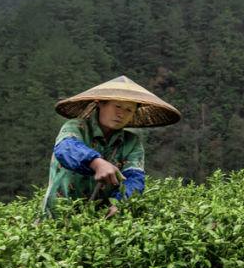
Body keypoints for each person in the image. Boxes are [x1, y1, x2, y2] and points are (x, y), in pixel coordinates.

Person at [41, 75, 180, 218]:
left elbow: (134, 177)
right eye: (117, 106)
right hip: (58, 217)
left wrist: (120, 202)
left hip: (101, 221)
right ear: (100, 103)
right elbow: (65, 149)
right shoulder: (77, 127)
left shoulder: (131, 142)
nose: (121, 114)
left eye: (129, 110)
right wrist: (96, 162)